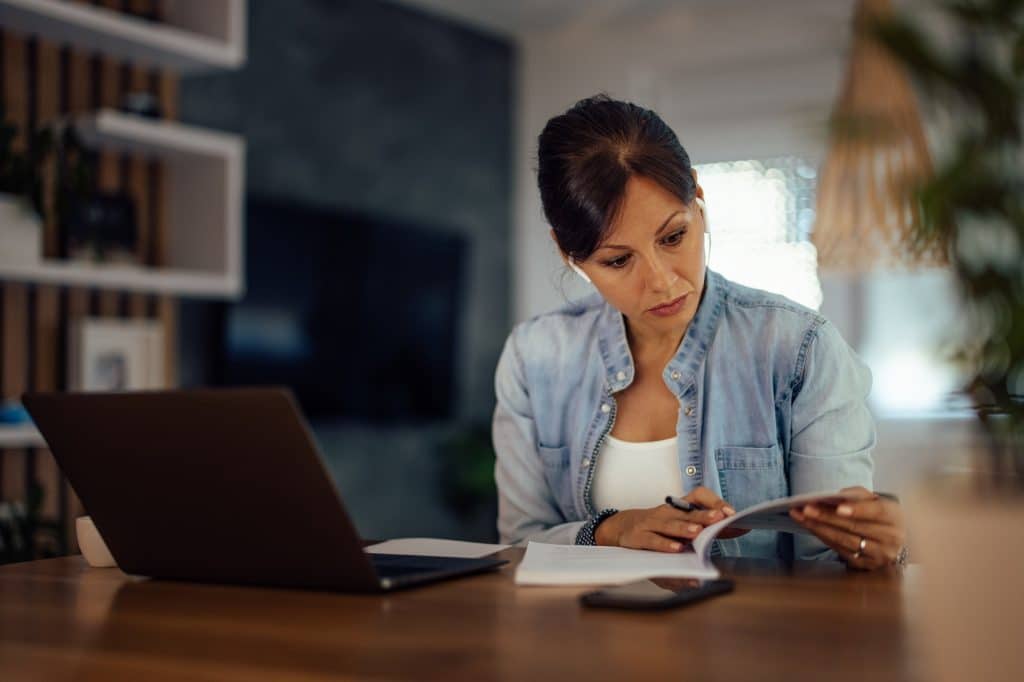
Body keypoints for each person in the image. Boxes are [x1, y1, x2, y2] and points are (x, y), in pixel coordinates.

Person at [492, 94, 907, 570]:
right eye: (618, 260)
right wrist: (609, 531)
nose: (663, 281)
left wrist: (874, 549)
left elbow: (829, 566)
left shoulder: (798, 349)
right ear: (568, 254)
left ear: (699, 198)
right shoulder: (534, 358)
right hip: (584, 643)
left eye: (673, 237)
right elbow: (516, 551)